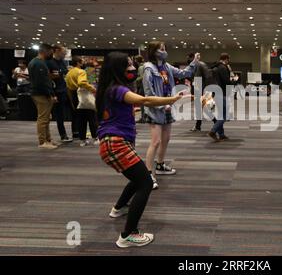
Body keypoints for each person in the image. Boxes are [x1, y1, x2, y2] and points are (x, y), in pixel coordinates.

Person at [96, 52, 187, 248]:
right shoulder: (117, 89)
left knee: (137, 179)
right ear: (117, 68)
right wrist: (171, 99)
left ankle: (118, 208)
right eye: (128, 65)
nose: (132, 68)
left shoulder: (111, 90)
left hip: (114, 143)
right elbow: (145, 100)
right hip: (116, 144)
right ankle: (128, 235)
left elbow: (132, 107)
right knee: (145, 182)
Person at [142, 41, 198, 189]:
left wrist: (194, 62)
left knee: (165, 139)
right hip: (156, 109)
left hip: (167, 107)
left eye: (164, 49)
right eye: (161, 49)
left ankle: (159, 165)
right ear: (154, 51)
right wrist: (162, 104)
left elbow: (184, 73)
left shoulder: (166, 67)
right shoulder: (149, 68)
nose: (164, 51)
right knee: (155, 142)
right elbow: (149, 93)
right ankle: (148, 174)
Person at [28, 44, 59, 149]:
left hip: (40, 93)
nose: (51, 54)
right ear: (45, 51)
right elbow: (42, 82)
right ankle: (42, 142)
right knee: (43, 119)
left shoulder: (37, 62)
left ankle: (48, 140)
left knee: (46, 118)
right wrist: (50, 94)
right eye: (50, 51)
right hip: (41, 94)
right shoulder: (38, 64)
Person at [66, 56, 98, 146]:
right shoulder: (81, 71)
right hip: (84, 95)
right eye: (82, 62)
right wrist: (92, 88)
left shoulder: (69, 73)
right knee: (91, 117)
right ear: (78, 63)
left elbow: (67, 85)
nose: (83, 63)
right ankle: (95, 138)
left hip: (74, 96)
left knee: (81, 119)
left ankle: (82, 140)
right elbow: (82, 82)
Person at [47, 46, 72, 143]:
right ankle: (62, 135)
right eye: (64, 53)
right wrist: (52, 94)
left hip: (63, 90)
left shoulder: (62, 62)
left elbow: (64, 73)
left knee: (63, 113)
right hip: (55, 92)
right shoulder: (49, 62)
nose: (65, 55)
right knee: (57, 115)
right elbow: (48, 78)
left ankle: (72, 133)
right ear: (57, 51)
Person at [208, 53, 233, 142]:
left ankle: (221, 134)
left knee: (220, 115)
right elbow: (226, 81)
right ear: (226, 59)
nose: (228, 61)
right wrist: (230, 73)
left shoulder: (215, 67)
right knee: (225, 115)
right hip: (222, 93)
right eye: (228, 59)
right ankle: (213, 131)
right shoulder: (223, 68)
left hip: (215, 93)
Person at [190, 52, 216, 132]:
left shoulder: (201, 65)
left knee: (206, 109)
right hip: (199, 90)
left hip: (203, 90)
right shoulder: (195, 66)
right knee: (199, 109)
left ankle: (217, 123)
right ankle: (198, 126)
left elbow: (208, 76)